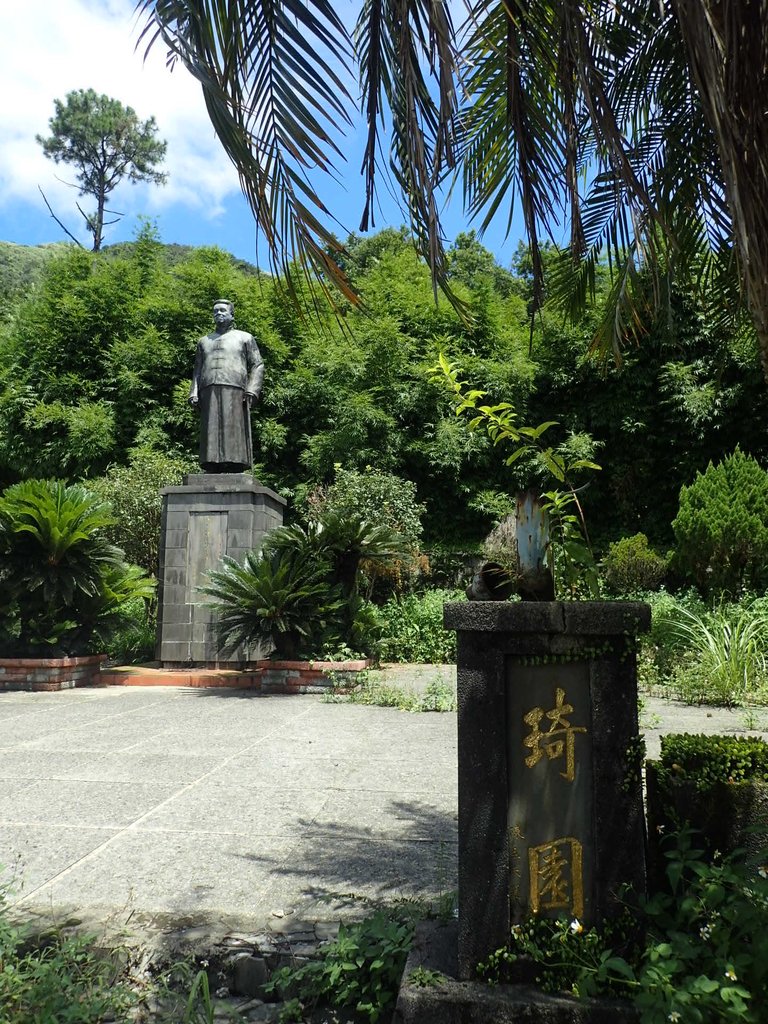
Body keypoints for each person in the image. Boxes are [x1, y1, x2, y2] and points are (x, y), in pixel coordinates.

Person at [189, 299, 264, 472]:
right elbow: (197, 369)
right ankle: (211, 463)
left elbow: (258, 365)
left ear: (231, 314)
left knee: (233, 426)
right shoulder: (203, 341)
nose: (219, 314)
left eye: (223, 310)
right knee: (210, 427)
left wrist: (252, 389)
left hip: (235, 387)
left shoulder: (244, 337)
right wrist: (193, 392)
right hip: (208, 388)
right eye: (215, 311)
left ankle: (235, 462)